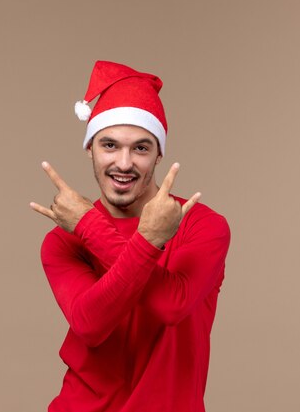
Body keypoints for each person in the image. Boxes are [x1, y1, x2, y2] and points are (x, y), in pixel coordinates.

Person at [30, 61, 231, 412]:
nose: (124, 163)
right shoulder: (63, 240)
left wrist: (92, 226)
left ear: (159, 154)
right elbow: (91, 326)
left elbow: (171, 305)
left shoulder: (202, 225)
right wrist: (96, 229)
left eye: (140, 148)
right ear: (90, 148)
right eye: (109, 145)